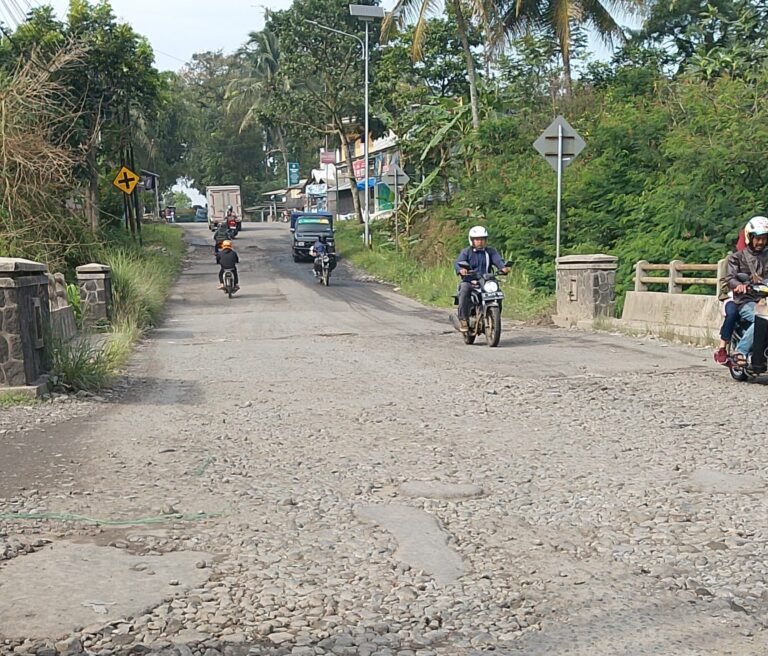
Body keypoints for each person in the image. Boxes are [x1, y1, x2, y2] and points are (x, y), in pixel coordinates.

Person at [723, 216, 768, 366]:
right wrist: (739, 285)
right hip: (746, 300)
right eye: (757, 238)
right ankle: (740, 351)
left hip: (765, 300)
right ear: (750, 237)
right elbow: (730, 278)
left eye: (764, 238)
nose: (761, 242)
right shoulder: (737, 258)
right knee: (762, 319)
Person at [454, 226, 510, 332]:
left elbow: (498, 260)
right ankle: (463, 320)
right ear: (472, 240)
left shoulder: (490, 252)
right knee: (464, 290)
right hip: (470, 280)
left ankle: (494, 318)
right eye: (477, 239)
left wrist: (503, 267)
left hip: (486, 281)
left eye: (482, 239)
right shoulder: (466, 252)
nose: (480, 242)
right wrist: (461, 270)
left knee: (498, 293)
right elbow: (458, 263)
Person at [714, 227, 747, 364]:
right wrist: (736, 286)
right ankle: (722, 347)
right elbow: (724, 282)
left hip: (757, 298)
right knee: (732, 313)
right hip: (733, 297)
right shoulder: (733, 259)